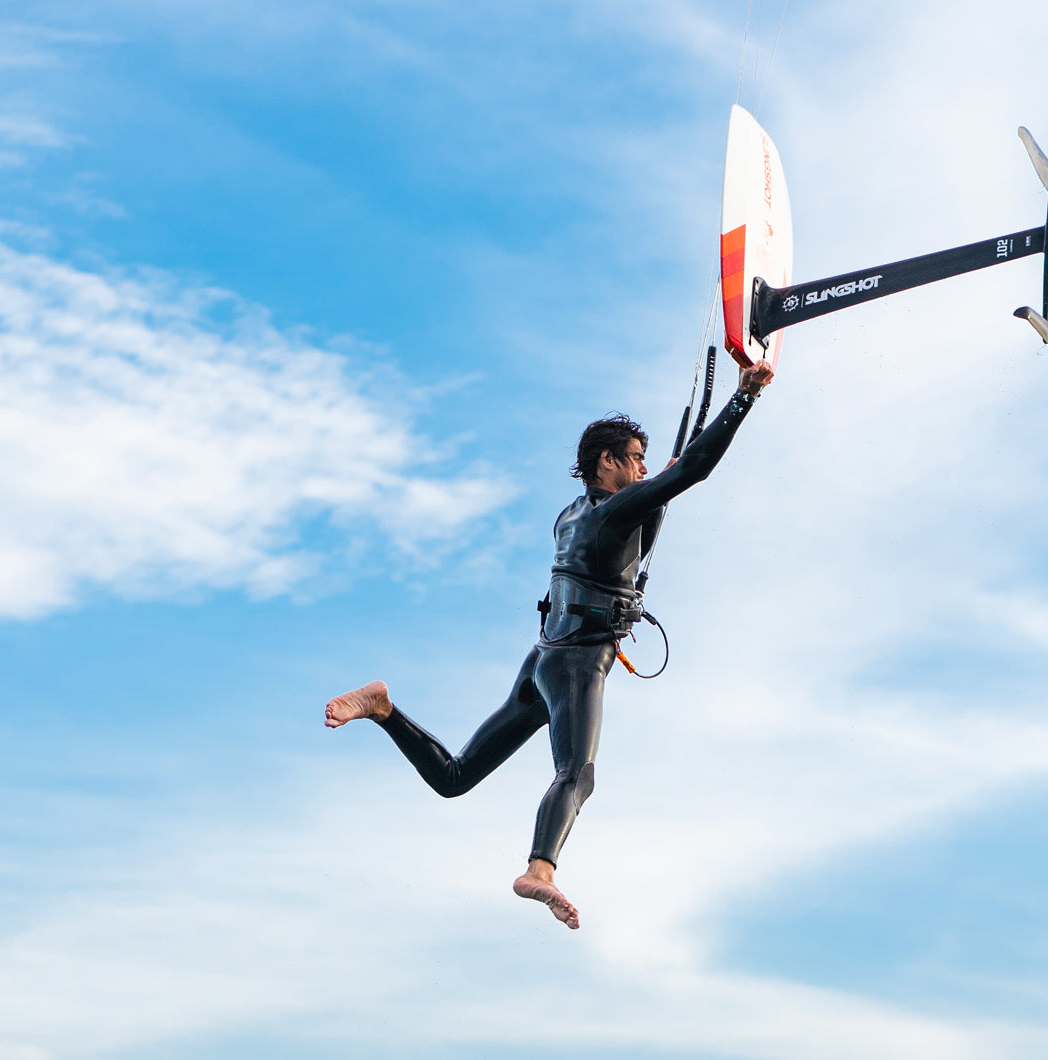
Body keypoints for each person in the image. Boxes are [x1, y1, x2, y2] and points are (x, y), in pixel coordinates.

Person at [325, 360, 776, 929]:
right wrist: (743, 397)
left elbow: (642, 524)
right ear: (607, 461)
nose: (642, 467)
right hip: (578, 664)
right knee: (577, 775)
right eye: (635, 458)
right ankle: (539, 869)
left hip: (542, 661)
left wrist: (658, 489)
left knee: (455, 779)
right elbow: (695, 470)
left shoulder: (570, 515)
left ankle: (383, 707)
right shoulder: (616, 509)